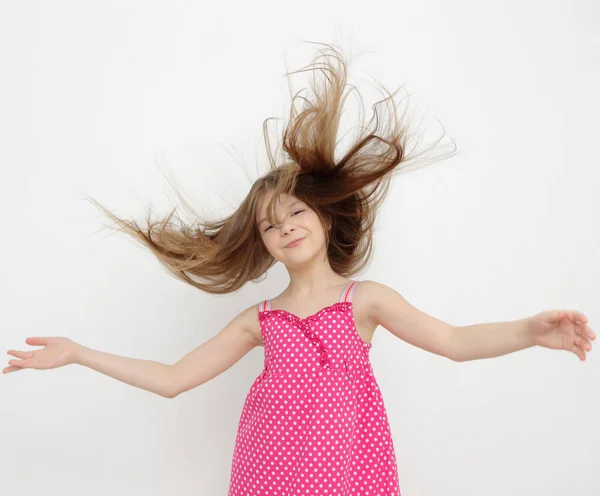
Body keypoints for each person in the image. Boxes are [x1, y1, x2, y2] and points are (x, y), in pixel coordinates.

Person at [4, 43, 595, 495]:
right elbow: (172, 378)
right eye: (268, 224)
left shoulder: (365, 300)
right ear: (264, 245)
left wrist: (528, 332)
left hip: (349, 473)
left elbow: (453, 341)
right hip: (267, 472)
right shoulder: (259, 320)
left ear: (325, 218)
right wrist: (80, 352)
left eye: (294, 211)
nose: (284, 225)